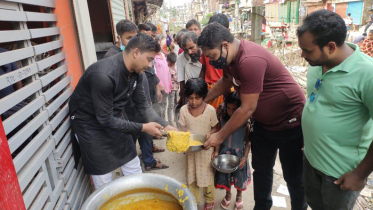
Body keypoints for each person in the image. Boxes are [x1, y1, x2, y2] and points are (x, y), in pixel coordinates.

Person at [198, 23, 307, 210]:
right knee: (262, 171)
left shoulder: (249, 60)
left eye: (212, 56)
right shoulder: (229, 60)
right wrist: (204, 101)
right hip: (264, 123)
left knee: (293, 175)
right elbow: (225, 81)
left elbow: (247, 109)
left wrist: (219, 136)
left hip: (290, 122)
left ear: (225, 45)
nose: (211, 60)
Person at [69, 33, 177, 189]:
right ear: (136, 53)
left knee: (133, 167)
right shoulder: (103, 76)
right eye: (149, 59)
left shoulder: (137, 73)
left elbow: (143, 105)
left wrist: (164, 125)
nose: (149, 65)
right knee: (104, 180)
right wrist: (143, 127)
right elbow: (105, 120)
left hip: (115, 118)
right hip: (90, 127)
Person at [297, 10, 373, 210]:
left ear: (331, 47)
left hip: (340, 174)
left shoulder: (368, 74)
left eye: (307, 50)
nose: (303, 55)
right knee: (314, 204)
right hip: (312, 160)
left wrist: (360, 174)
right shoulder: (318, 63)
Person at [178, 78, 218, 210]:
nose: (193, 102)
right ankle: (193, 199)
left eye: (197, 98)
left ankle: (209, 199)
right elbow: (181, 128)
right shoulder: (184, 110)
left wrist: (210, 133)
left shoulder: (210, 110)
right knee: (191, 175)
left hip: (205, 150)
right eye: (190, 98)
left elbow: (215, 128)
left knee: (207, 176)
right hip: (190, 151)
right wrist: (185, 131)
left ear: (204, 96)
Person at [212, 91, 251, 210]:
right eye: (228, 108)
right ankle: (228, 194)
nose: (231, 112)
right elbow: (219, 136)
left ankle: (239, 197)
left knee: (239, 177)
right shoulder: (222, 120)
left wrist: (244, 156)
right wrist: (216, 151)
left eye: (234, 109)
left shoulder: (245, 123)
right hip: (224, 152)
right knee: (225, 176)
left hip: (239, 154)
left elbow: (248, 142)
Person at [199, 14, 228, 109]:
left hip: (226, 89)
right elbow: (203, 69)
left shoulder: (230, 52)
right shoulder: (207, 50)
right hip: (209, 89)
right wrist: (200, 88)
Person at [177, 32, 202, 106]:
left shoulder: (208, 56)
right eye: (186, 50)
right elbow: (183, 83)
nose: (190, 52)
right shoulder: (185, 62)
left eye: (191, 48)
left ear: (198, 44)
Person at [154, 35, 173, 121]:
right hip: (159, 86)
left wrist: (170, 84)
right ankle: (161, 123)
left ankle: (164, 122)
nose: (158, 47)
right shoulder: (153, 57)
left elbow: (167, 71)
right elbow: (154, 73)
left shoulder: (162, 55)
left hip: (166, 85)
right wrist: (158, 86)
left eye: (159, 44)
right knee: (160, 107)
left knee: (165, 105)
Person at [167, 52, 178, 126]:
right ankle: (170, 122)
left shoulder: (176, 67)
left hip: (176, 88)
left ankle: (176, 119)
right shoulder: (167, 68)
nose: (172, 65)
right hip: (170, 89)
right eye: (171, 63)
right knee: (170, 105)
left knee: (175, 104)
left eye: (173, 63)